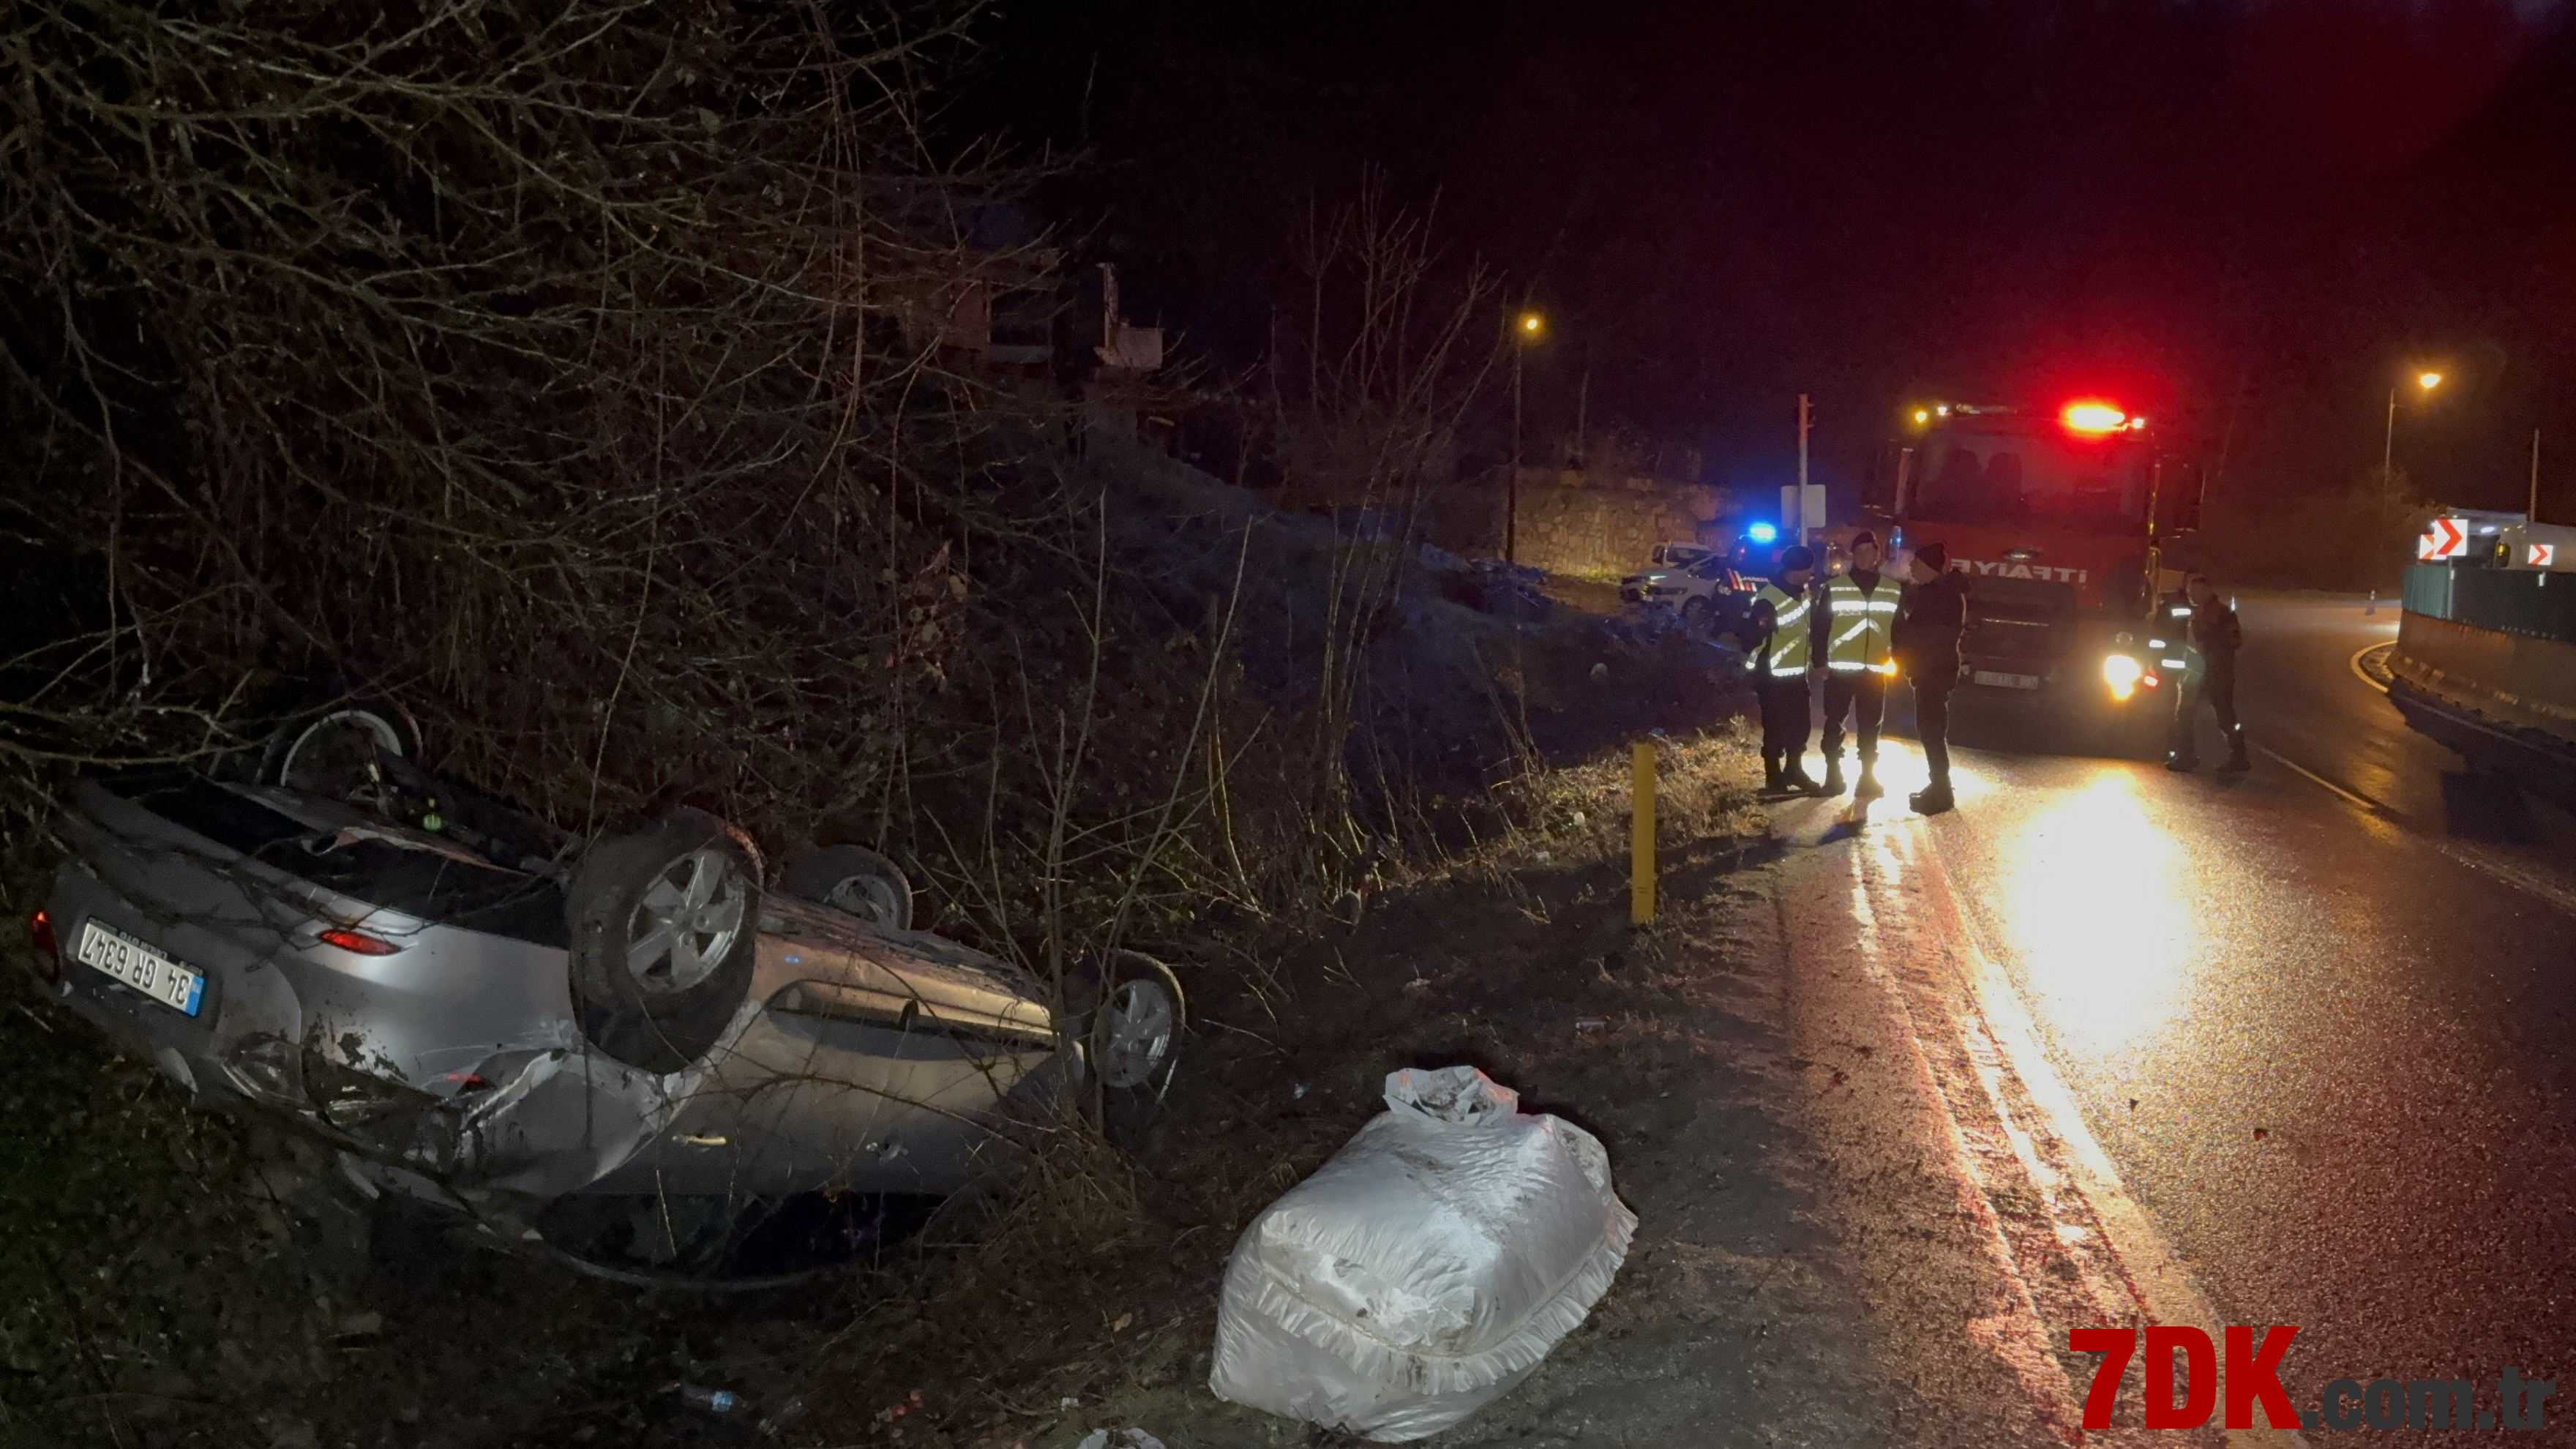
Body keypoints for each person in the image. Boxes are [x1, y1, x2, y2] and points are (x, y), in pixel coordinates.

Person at [1819, 531, 1903, 796]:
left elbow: (1899, 630)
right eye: (1862, 550)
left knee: (1871, 726)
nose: (1867, 555)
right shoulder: (1835, 587)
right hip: (1840, 669)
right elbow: (1821, 627)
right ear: (1853, 555)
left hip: (1875, 670)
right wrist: (1819, 661)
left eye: (1872, 550)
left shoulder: (1892, 590)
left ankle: (1867, 778)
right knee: (1835, 721)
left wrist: (1900, 660)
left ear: (1878, 555)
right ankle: (1833, 775)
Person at [1894, 541, 1969, 814]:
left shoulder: (1940, 595)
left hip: (1934, 672)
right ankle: (1937, 787)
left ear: (1928, 567)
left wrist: (1915, 663)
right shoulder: (1936, 592)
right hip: (1934, 670)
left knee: (1932, 732)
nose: (1911, 565)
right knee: (1931, 732)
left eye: (1916, 562)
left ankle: (1941, 792)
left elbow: (1929, 638)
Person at [1749, 545, 1821, 794]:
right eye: (1809, 567)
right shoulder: (1769, 598)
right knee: (1775, 727)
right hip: (1773, 676)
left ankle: (1794, 770)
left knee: (1800, 726)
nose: (1813, 571)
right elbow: (1754, 639)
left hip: (1797, 675)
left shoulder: (1802, 593)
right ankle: (1774, 776)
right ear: (1799, 570)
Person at [2168, 573, 2247, 772]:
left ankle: (2238, 757)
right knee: (2185, 714)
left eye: (2196, 591)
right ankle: (2187, 756)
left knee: (2225, 716)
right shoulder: (2197, 612)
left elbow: (2235, 640)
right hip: (2196, 671)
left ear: (2208, 591)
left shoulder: (2221, 614)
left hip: (2215, 672)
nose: (2192, 595)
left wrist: (2210, 637)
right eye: (2189, 591)